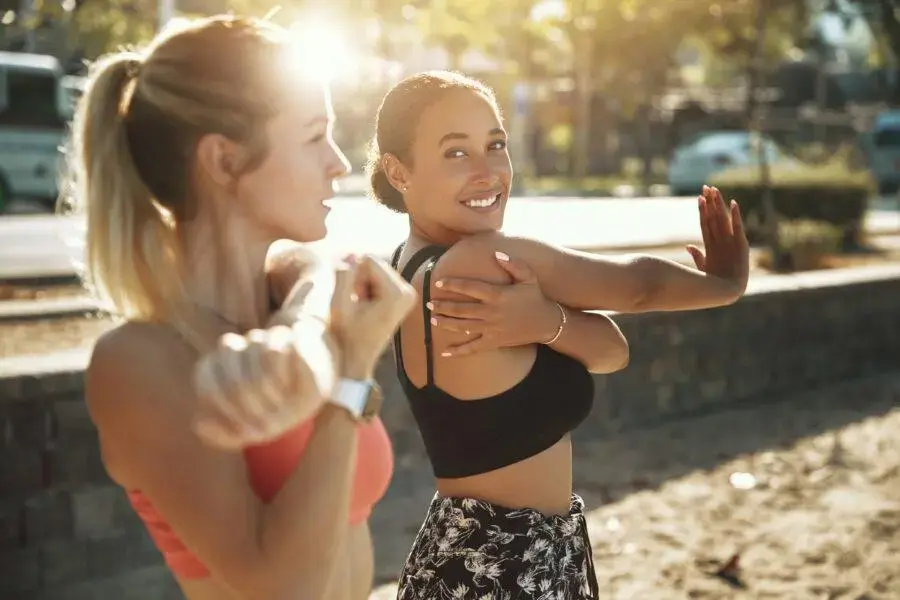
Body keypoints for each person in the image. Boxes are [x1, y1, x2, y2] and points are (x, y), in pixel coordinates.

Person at [366, 70, 749, 599]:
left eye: (495, 145)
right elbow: (634, 288)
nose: (488, 171)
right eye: (456, 153)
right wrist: (725, 284)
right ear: (398, 171)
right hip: (513, 565)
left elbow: (613, 349)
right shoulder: (482, 261)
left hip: (464, 557)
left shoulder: (407, 266)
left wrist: (545, 321)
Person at [71, 16, 416, 600]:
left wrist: (301, 326)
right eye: (313, 137)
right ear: (225, 161)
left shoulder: (290, 300)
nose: (339, 162)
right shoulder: (139, 360)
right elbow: (285, 587)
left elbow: (313, 270)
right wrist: (350, 376)